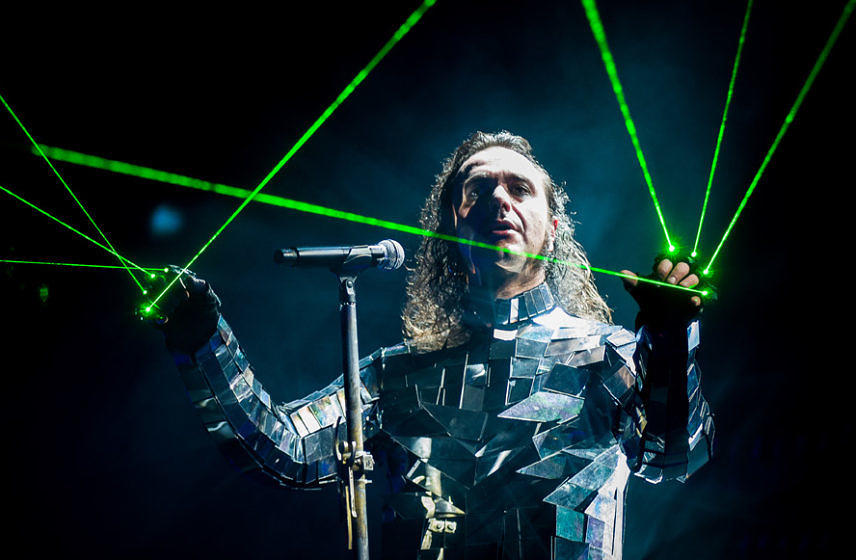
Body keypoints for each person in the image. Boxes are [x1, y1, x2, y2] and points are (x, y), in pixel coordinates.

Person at [157, 131, 714, 559]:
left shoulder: (604, 355)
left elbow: (675, 458)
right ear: (451, 226)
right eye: (477, 190)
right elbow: (285, 451)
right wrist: (203, 341)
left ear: (551, 227)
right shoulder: (394, 376)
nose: (499, 200)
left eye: (519, 189)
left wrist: (671, 343)